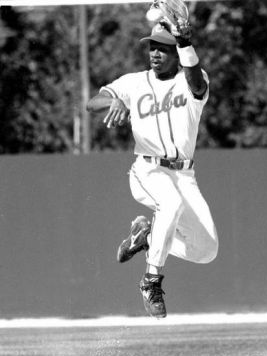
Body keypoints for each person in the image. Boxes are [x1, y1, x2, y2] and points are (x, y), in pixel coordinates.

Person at [87, 20, 219, 319]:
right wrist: (116, 99)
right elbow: (91, 105)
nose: (155, 54)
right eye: (152, 47)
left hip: (185, 175)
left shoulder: (191, 81)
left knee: (206, 250)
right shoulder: (134, 82)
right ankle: (151, 281)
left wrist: (186, 43)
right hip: (148, 169)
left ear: (177, 53)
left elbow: (198, 84)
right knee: (169, 204)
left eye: (163, 48)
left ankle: (147, 237)